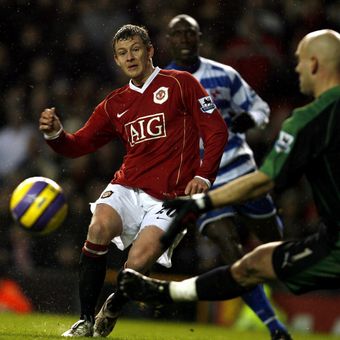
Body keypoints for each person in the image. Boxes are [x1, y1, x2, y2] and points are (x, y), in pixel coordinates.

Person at [118, 29, 340, 339]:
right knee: (245, 257)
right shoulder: (159, 85)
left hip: (243, 178)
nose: (296, 68)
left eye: (300, 61)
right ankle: (266, 322)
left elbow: (264, 171)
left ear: (315, 64)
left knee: (262, 251)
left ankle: (164, 293)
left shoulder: (301, 117)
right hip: (207, 180)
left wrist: (200, 202)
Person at [38, 24, 228, 337]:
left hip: (172, 198)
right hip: (127, 186)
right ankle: (85, 319)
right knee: (98, 227)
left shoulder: (181, 83)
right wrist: (54, 133)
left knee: (137, 262)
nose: (131, 57)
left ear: (150, 51)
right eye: (123, 53)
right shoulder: (115, 103)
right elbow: (77, 145)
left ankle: (113, 303)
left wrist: (204, 176)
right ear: (116, 60)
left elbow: (216, 130)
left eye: (136, 49)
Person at [164, 14, 289, 340]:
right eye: (177, 34)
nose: (184, 39)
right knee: (229, 248)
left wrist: (252, 120)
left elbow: (260, 108)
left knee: (271, 239)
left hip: (241, 171)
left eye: (189, 33)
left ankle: (284, 282)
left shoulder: (224, 74)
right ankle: (273, 325)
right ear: (169, 41)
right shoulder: (160, 85)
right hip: (202, 181)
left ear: (199, 38)